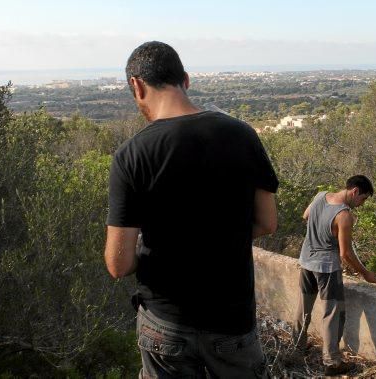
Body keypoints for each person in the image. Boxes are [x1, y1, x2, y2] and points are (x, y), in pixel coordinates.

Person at [104, 41, 279, 378]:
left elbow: (118, 263)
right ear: (186, 79)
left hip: (165, 324)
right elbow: (267, 223)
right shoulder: (243, 135)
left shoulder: (131, 155)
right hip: (232, 319)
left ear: (136, 85)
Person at [292, 175, 376, 376]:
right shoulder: (344, 214)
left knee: (303, 306)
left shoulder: (320, 196)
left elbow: (306, 215)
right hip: (327, 268)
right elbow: (345, 254)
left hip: (306, 261)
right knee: (333, 314)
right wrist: (366, 274)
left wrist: (319, 227)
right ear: (355, 191)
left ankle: (296, 348)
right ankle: (332, 362)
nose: (361, 204)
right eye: (363, 199)